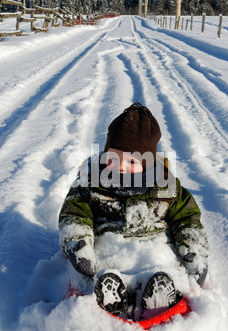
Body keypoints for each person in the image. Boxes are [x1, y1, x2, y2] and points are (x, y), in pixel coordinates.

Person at [58, 103, 209, 318]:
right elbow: (74, 214)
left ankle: (161, 294)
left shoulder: (166, 186)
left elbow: (188, 220)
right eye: (113, 157)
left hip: (155, 249)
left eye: (130, 161)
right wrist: (79, 243)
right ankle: (109, 296)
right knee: (99, 273)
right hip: (110, 249)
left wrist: (193, 249)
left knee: (166, 270)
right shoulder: (89, 183)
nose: (120, 166)